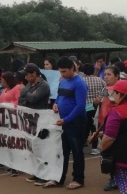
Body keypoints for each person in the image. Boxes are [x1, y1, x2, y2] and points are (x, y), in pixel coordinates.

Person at [44, 57, 87, 190]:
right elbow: (60, 96)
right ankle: (59, 177)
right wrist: (56, 104)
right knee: (62, 151)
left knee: (77, 151)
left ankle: (78, 179)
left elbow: (80, 105)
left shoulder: (79, 83)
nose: (62, 74)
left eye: (64, 71)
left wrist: (67, 119)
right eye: (60, 72)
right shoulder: (63, 81)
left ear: (72, 68)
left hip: (76, 122)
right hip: (63, 122)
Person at [100, 80, 127, 194]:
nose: (112, 95)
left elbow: (109, 138)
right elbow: (126, 129)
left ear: (120, 94)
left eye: (113, 93)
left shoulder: (117, 112)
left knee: (124, 183)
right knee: (124, 179)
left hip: (120, 153)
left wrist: (101, 147)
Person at [17, 64, 50, 185]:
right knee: (33, 147)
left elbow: (33, 99)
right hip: (30, 119)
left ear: (34, 74)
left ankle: (45, 174)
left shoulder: (44, 85)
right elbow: (22, 100)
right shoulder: (29, 85)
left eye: (27, 74)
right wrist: (27, 95)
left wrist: (26, 93)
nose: (25, 77)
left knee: (41, 147)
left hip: (41, 119)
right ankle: (37, 173)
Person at [82, 64, 106, 155]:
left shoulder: (82, 80)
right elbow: (105, 90)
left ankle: (81, 143)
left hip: (83, 107)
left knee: (84, 126)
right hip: (96, 107)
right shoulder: (99, 80)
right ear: (93, 70)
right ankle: (94, 148)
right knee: (94, 127)